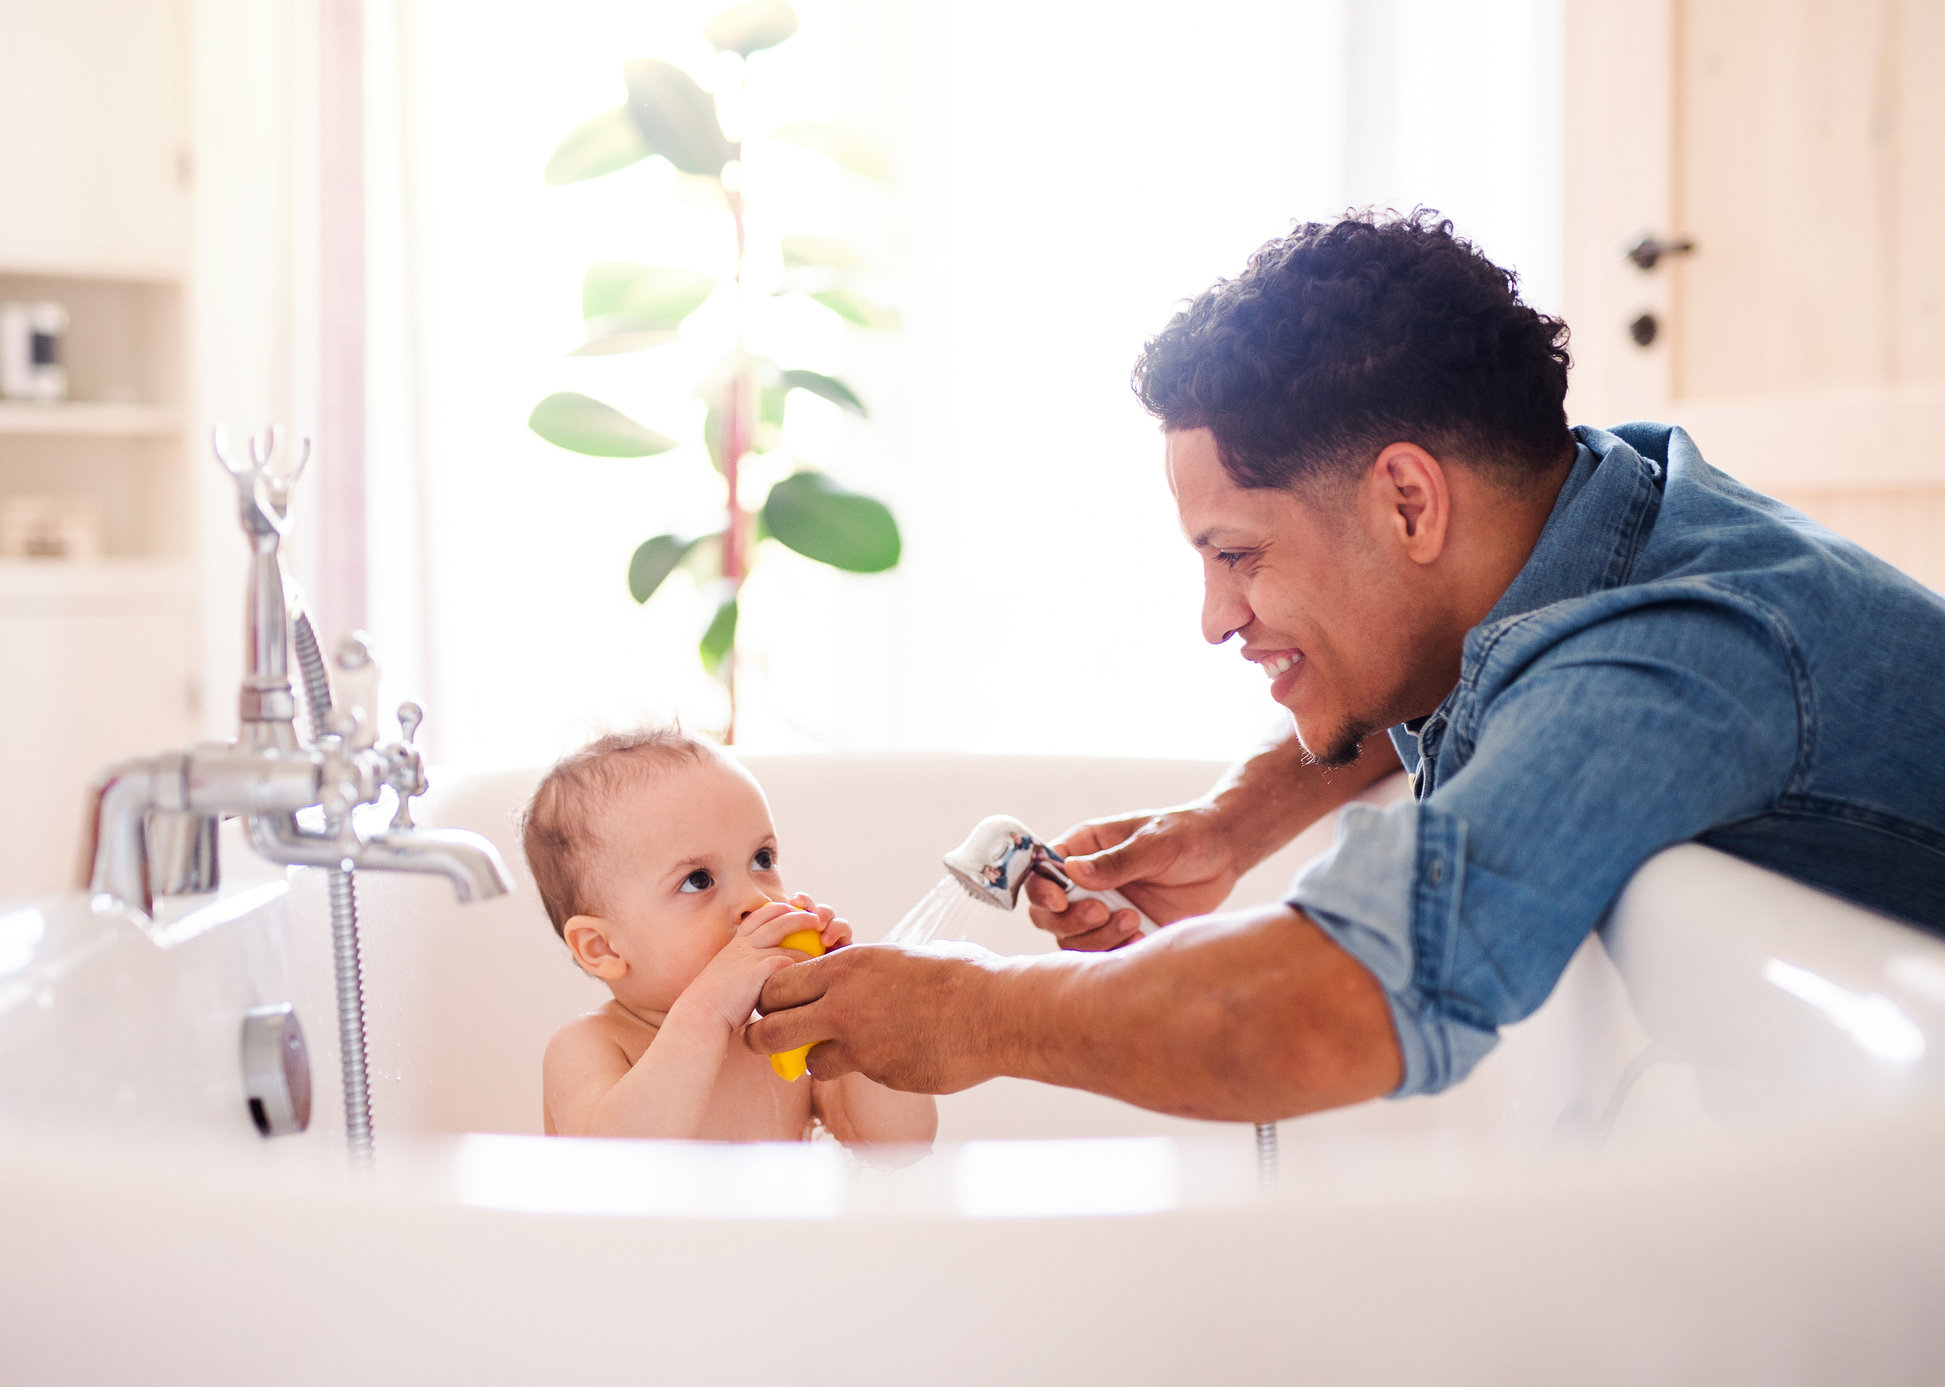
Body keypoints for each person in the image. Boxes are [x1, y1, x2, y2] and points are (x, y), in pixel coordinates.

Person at [744, 209, 1945, 1119]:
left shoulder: (1673, 655)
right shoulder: (1595, 511)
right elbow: (1448, 656)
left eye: (1239, 554)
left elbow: (1320, 1014)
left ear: (1408, 502)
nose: (1215, 618)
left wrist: (965, 1012)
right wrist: (1231, 822)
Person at [526, 727, 935, 1144]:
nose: (756, 899)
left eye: (762, 859)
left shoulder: (782, 1035)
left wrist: (847, 1012)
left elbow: (899, 1143)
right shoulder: (589, 1046)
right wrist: (708, 1010)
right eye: (698, 880)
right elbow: (614, 1170)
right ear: (603, 947)